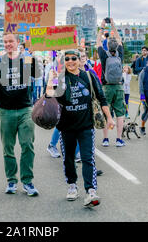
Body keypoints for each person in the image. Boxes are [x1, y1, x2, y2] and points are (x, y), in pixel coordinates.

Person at [46, 49, 114, 207]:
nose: (70, 61)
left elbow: (101, 98)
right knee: (68, 159)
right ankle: (72, 185)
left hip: (86, 126)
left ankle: (91, 191)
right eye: (67, 59)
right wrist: (51, 80)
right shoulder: (60, 78)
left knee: (87, 158)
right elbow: (48, 96)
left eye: (73, 58)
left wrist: (109, 117)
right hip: (66, 127)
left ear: (79, 60)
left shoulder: (89, 76)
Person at [0, 33, 42, 196]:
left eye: (11, 41)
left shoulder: (26, 59)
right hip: (6, 112)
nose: (8, 44)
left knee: (28, 145)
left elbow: (37, 74)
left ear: (18, 43)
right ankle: (11, 180)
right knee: (8, 148)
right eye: (5, 42)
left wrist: (34, 56)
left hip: (25, 109)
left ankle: (27, 181)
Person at [96, 18, 126, 147]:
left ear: (107, 46)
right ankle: (119, 139)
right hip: (119, 86)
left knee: (106, 112)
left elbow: (98, 41)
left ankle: (106, 139)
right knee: (120, 114)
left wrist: (102, 27)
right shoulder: (120, 55)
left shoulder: (104, 55)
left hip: (106, 87)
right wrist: (113, 25)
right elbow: (119, 39)